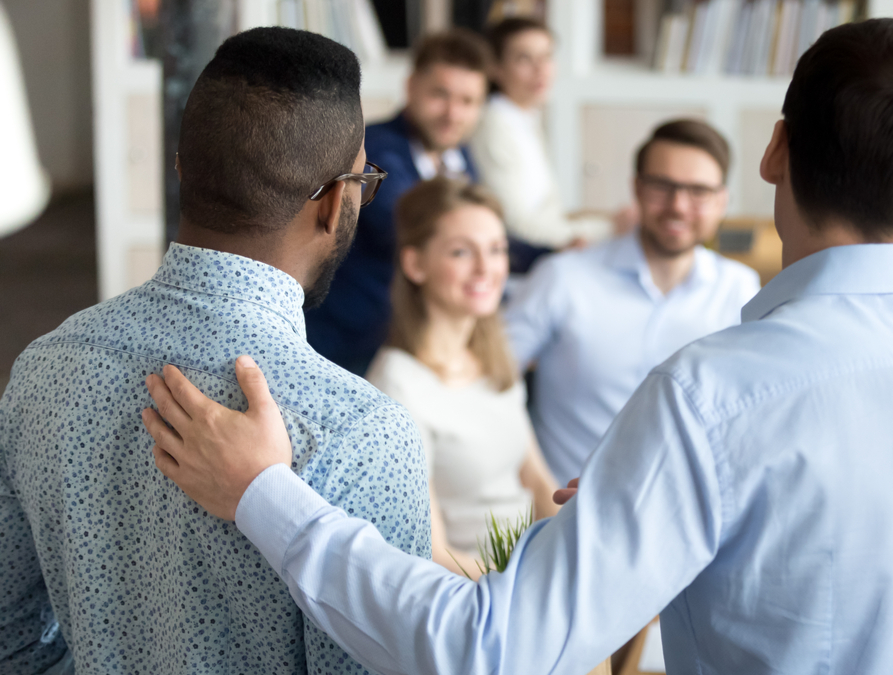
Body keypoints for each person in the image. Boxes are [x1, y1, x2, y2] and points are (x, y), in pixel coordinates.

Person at [142, 19, 893, 675]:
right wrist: (690, 515)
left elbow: (485, 649)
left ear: (772, 153)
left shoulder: (718, 396)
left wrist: (264, 493)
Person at [0, 27, 430, 674]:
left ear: (182, 168)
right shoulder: (360, 432)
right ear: (337, 200)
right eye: (365, 179)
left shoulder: (44, 367)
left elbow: (12, 641)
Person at [505, 119, 760, 485]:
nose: (678, 205)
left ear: (723, 201)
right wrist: (537, 485)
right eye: (663, 186)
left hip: (693, 517)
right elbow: (488, 384)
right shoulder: (563, 277)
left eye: (698, 191)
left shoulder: (740, 289)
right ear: (637, 188)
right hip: (568, 513)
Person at [364, 177, 558, 578]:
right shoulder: (398, 386)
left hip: (531, 571)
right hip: (476, 597)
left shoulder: (494, 357)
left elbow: (537, 482)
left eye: (496, 249)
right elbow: (433, 554)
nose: (486, 269)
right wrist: (529, 587)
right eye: (460, 252)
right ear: (415, 264)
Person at [306, 29, 491, 376]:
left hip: (409, 341)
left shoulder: (459, 155)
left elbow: (473, 229)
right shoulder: (373, 149)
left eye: (468, 102)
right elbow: (416, 229)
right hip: (350, 346)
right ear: (411, 87)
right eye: (440, 95)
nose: (453, 113)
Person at [470, 16, 616, 267]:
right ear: (496, 68)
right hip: (523, 260)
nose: (541, 69)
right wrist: (608, 229)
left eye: (547, 56)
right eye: (524, 58)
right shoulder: (494, 125)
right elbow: (516, 225)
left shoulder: (525, 117)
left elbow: (548, 211)